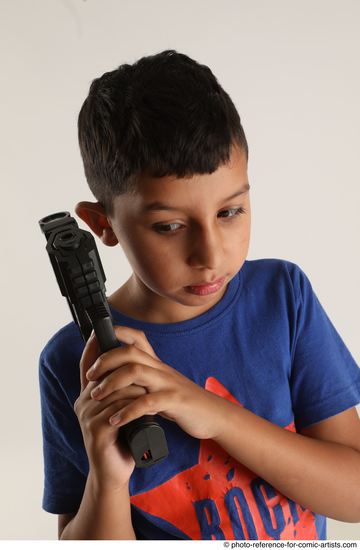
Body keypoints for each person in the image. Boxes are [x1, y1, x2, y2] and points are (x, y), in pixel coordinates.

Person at [38, 49, 360, 541]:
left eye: (230, 212)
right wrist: (108, 480)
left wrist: (214, 414)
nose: (210, 254)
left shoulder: (282, 299)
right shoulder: (73, 361)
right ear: (103, 225)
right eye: (169, 225)